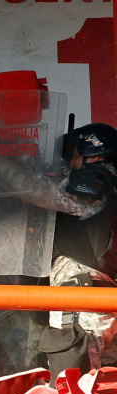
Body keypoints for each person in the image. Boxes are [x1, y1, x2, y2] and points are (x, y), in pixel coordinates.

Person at [39, 123, 117, 375]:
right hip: (105, 301)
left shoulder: (93, 183)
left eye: (73, 155)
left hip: (82, 302)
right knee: (105, 389)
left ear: (92, 155)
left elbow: (34, 189)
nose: (70, 162)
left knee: (72, 386)